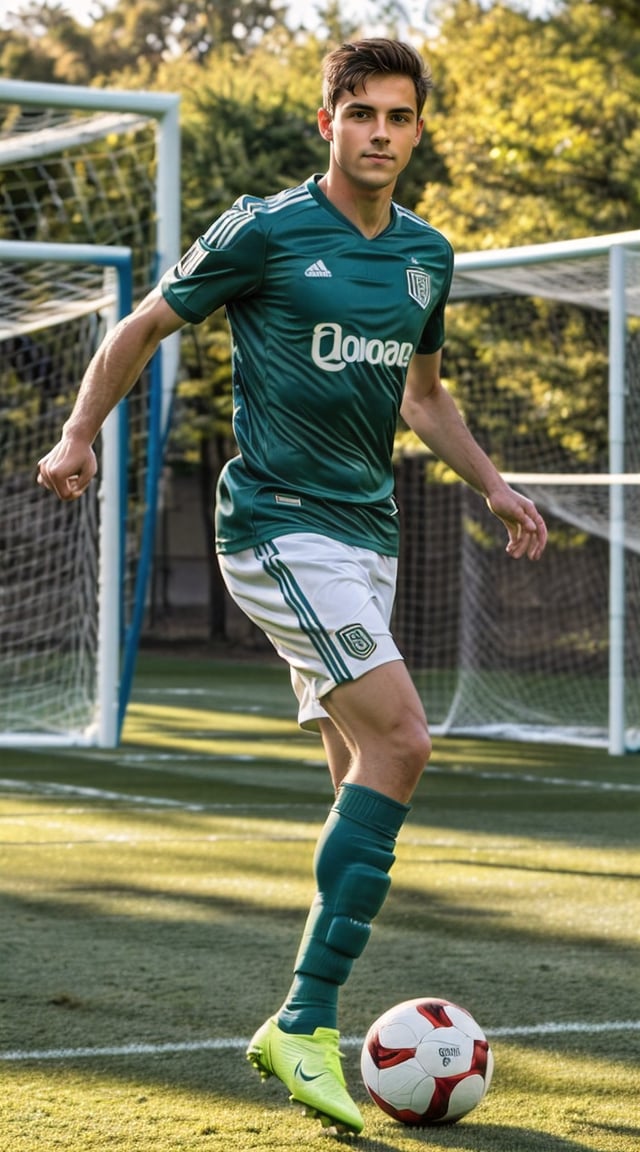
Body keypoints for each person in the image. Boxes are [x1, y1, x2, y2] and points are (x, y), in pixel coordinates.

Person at [37, 38, 547, 1135]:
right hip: (274, 529)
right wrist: (81, 433)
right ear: (328, 123)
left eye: (397, 116)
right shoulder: (263, 229)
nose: (378, 132)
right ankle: (305, 1021)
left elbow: (424, 400)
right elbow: (142, 324)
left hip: (366, 539)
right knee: (405, 741)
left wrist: (498, 487)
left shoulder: (425, 257)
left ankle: (321, 1036)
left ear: (417, 131)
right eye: (358, 112)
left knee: (359, 771)